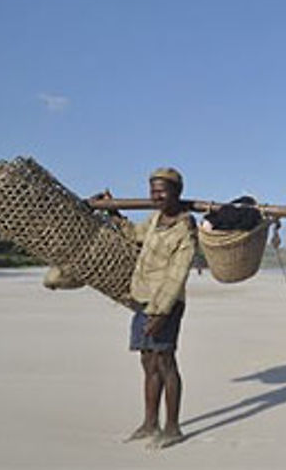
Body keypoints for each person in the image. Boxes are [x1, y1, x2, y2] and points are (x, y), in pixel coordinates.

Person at [116, 167, 197, 449]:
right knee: (147, 362)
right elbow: (133, 235)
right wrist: (114, 213)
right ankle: (150, 423)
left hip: (167, 305)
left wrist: (161, 312)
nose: (156, 196)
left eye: (162, 190)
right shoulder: (154, 220)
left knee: (165, 362)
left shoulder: (185, 227)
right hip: (142, 299)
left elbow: (178, 274)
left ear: (177, 192)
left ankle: (173, 427)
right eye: (152, 191)